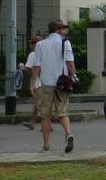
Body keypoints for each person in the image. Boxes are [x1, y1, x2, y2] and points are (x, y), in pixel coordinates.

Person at [31, 19, 76, 154]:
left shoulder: (40, 44)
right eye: (63, 28)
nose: (65, 31)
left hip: (46, 83)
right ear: (58, 29)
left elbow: (37, 65)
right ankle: (68, 134)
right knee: (62, 112)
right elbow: (70, 63)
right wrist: (74, 76)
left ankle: (46, 146)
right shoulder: (65, 43)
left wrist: (33, 83)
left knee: (45, 116)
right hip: (62, 83)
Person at [22, 35, 42, 131]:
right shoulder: (45, 53)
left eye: (32, 43)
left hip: (37, 82)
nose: (30, 45)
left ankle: (34, 123)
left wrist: (21, 67)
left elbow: (28, 70)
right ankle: (32, 122)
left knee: (39, 104)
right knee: (39, 104)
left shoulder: (33, 55)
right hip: (47, 81)